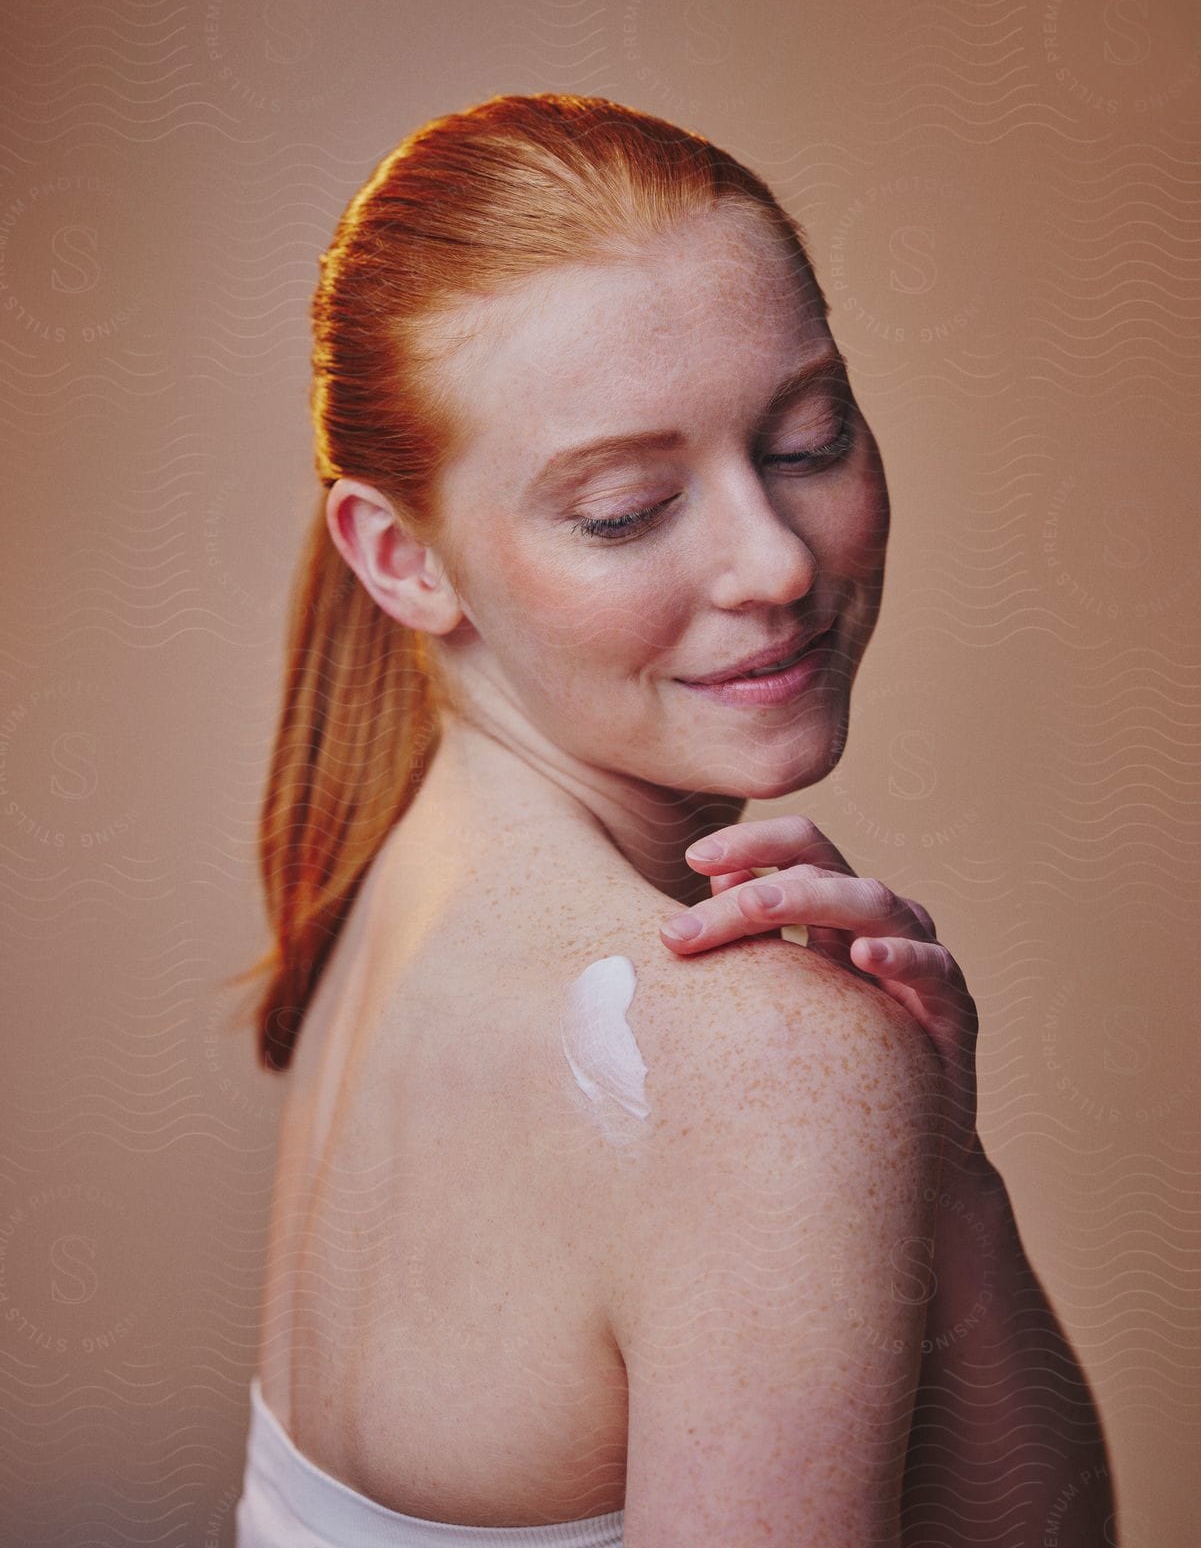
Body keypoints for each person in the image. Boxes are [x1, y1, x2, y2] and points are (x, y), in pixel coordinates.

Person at [230, 92, 1116, 1545]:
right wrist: (849, 1103)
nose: (772, 560)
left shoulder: (391, 890)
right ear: (399, 559)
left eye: (808, 439)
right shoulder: (744, 1044)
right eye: (630, 509)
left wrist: (941, 1178)